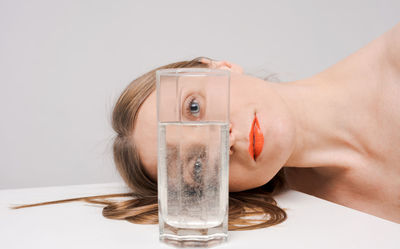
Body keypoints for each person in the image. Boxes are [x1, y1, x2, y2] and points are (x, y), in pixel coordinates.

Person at [12, 22, 400, 225]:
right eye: (197, 166)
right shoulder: (306, 218)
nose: (220, 140)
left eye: (194, 107)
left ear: (221, 68)